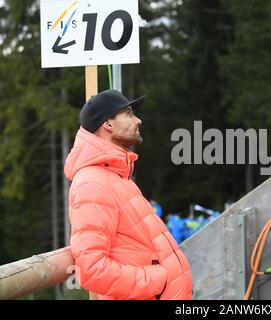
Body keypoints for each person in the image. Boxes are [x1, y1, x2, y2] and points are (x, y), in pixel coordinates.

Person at [64, 89, 192, 300]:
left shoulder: (115, 177)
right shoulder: (93, 184)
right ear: (108, 124)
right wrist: (159, 280)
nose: (138, 120)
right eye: (129, 113)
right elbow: (92, 269)